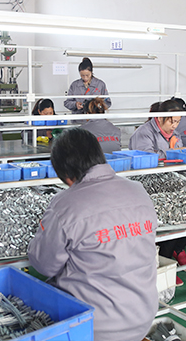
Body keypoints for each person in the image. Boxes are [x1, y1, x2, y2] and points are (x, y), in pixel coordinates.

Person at [28, 128, 158, 341]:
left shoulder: (65, 205)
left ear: (65, 173)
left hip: (95, 327)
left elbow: (43, 265)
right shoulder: (139, 191)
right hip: (144, 315)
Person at [129, 99, 186, 285]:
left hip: (171, 179)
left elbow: (178, 155)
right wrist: (173, 152)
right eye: (172, 121)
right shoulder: (144, 133)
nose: (175, 126)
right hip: (148, 183)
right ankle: (165, 262)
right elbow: (147, 159)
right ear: (161, 117)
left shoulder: (174, 133)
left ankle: (177, 248)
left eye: (177, 121)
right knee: (171, 218)